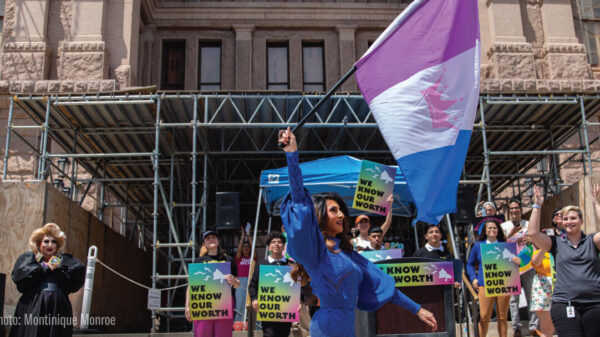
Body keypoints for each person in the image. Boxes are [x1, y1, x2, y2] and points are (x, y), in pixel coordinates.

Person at [277, 127, 437, 337]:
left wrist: (418, 309)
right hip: (327, 329)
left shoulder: (349, 254)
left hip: (348, 329)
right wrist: (292, 155)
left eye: (341, 210)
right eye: (334, 211)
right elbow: (299, 201)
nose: (341, 214)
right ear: (321, 218)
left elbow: (383, 286)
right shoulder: (316, 250)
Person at [527, 185, 600, 337]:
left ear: (581, 221)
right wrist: (537, 206)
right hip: (565, 304)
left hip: (594, 303)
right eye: (565, 219)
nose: (569, 222)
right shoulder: (555, 243)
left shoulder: (592, 241)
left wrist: (597, 204)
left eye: (573, 218)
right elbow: (533, 233)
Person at [9, 223, 85, 337]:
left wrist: (56, 267)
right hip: (32, 307)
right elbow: (21, 275)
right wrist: (45, 268)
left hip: (58, 309)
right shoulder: (30, 259)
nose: (50, 245)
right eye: (46, 241)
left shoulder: (64, 260)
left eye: (54, 242)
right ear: (39, 243)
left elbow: (76, 275)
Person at [466, 219, 520, 337]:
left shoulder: (505, 245)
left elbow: (515, 262)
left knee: (502, 317)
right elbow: (469, 264)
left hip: (503, 284)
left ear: (498, 230)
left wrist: (517, 261)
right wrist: (473, 278)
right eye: (489, 228)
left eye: (494, 228)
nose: (492, 230)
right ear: (485, 231)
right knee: (484, 316)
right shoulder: (478, 245)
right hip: (484, 285)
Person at [185, 230, 240, 337]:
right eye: (208, 238)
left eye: (214, 237)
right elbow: (191, 285)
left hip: (224, 304)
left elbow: (238, 285)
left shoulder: (229, 260)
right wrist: (187, 306)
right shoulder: (198, 261)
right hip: (203, 305)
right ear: (204, 244)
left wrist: (234, 281)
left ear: (218, 241)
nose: (211, 240)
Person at [501, 198, 538, 337]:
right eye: (512, 208)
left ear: (520, 210)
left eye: (516, 208)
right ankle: (517, 328)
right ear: (509, 211)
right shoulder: (503, 226)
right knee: (513, 300)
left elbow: (536, 240)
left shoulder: (528, 224)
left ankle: (533, 327)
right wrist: (510, 234)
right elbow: (501, 245)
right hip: (511, 265)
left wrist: (531, 239)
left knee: (531, 296)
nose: (514, 210)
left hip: (528, 264)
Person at [248, 231, 292, 337]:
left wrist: (300, 301)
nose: (276, 244)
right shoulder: (261, 265)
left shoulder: (291, 266)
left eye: (279, 242)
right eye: (273, 242)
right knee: (269, 334)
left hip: (286, 309)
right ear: (269, 247)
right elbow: (253, 285)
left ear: (284, 246)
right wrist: (254, 299)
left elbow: (298, 286)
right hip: (268, 309)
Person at [530, 246, 554, 337]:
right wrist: (545, 246)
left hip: (560, 285)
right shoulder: (537, 251)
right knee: (547, 328)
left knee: (563, 326)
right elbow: (535, 263)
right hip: (543, 287)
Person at [234, 228, 255, 322]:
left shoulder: (252, 257)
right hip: (241, 281)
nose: (246, 248)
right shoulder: (239, 258)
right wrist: (242, 237)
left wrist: (249, 236)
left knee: (253, 303)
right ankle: (238, 323)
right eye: (244, 247)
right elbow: (239, 249)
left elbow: (253, 246)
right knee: (240, 303)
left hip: (251, 280)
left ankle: (255, 325)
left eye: (247, 247)